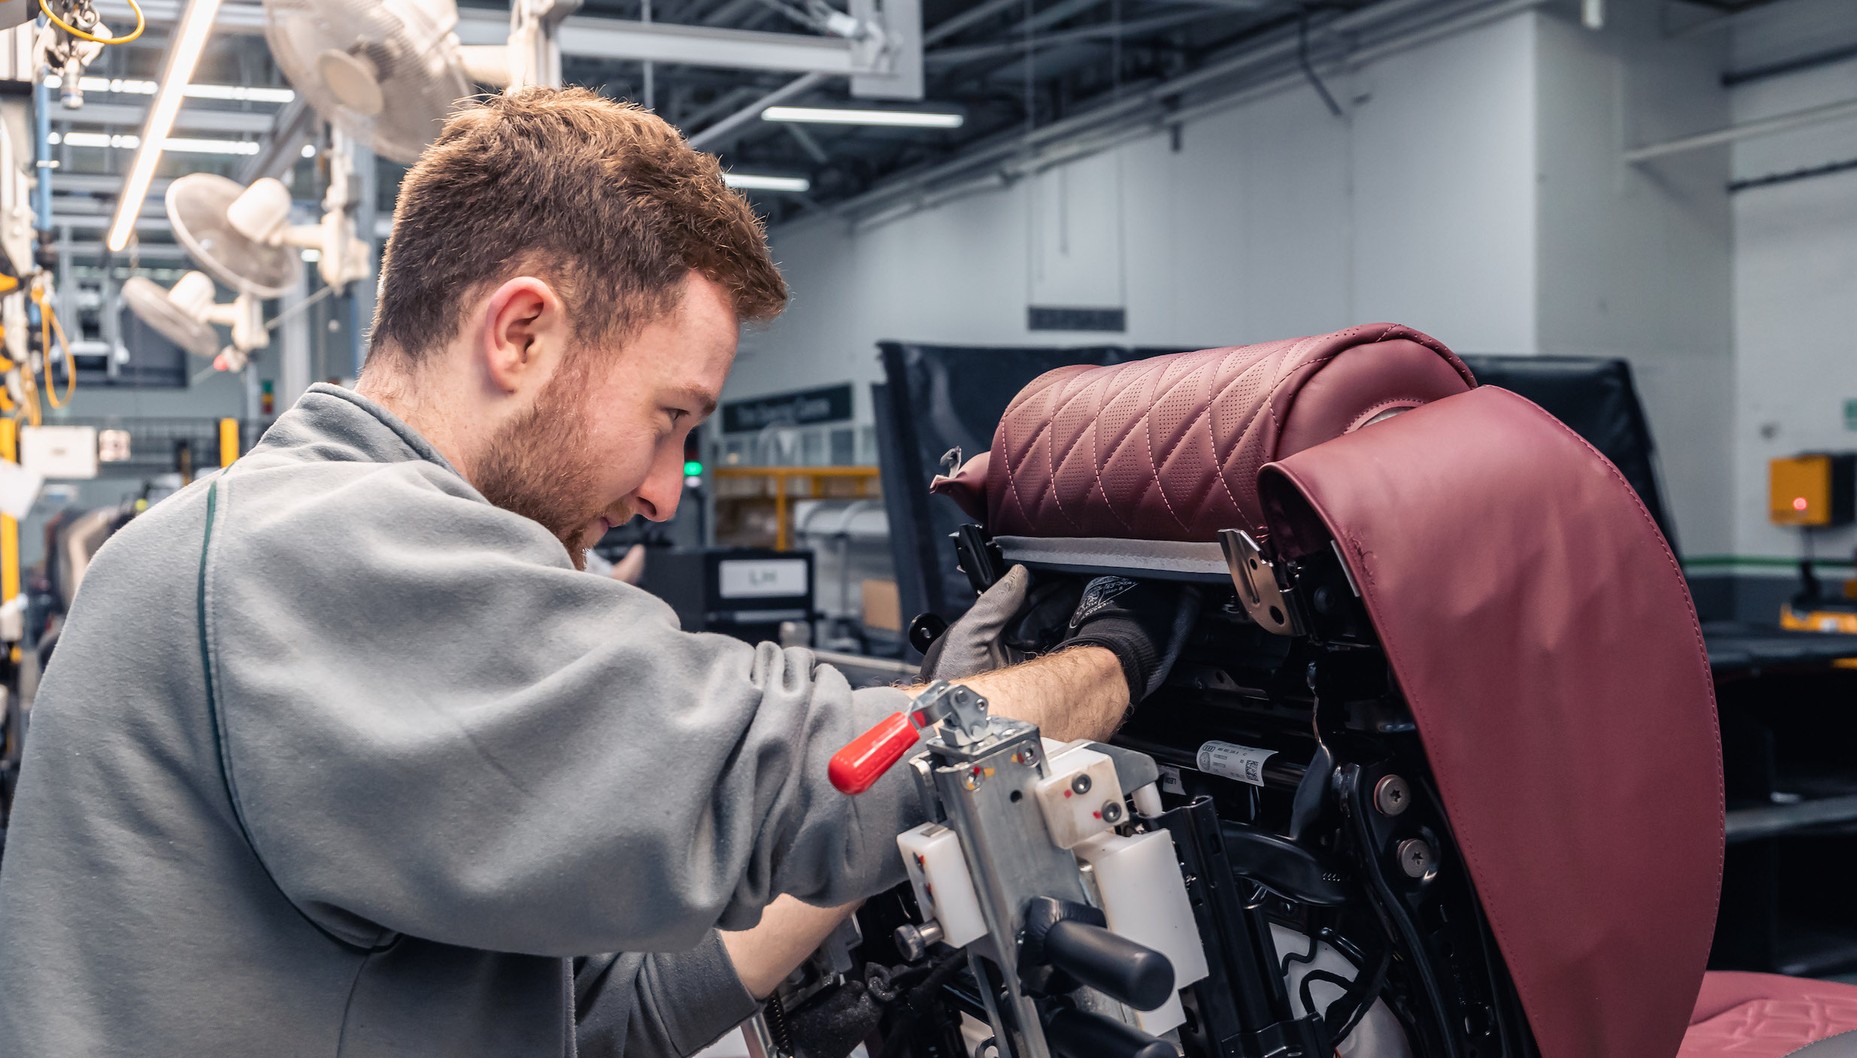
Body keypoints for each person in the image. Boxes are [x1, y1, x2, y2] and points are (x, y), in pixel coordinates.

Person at [0, 88, 1192, 1058]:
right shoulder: (309, 550)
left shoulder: (258, 537)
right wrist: (1110, 660)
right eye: (670, 416)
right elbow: (776, 783)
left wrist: (931, 725)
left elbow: (599, 1014)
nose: (668, 491)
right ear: (520, 334)